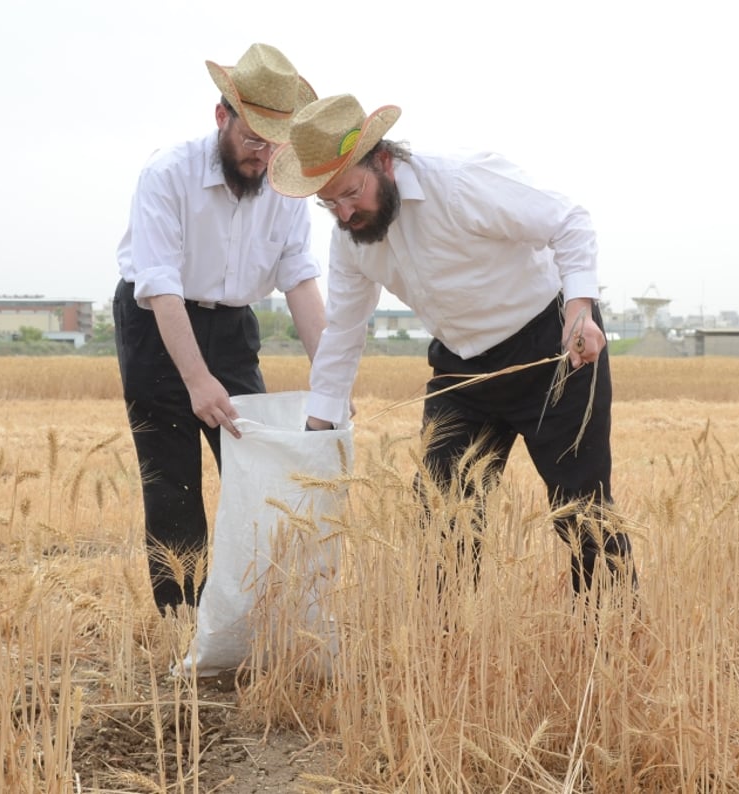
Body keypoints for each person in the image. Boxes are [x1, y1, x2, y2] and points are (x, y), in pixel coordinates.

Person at [268, 94, 636, 597]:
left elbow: (569, 222)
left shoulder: (461, 183)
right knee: (442, 516)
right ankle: (444, 647)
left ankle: (610, 644)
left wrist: (579, 311)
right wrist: (318, 422)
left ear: (383, 161)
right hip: (461, 371)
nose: (346, 212)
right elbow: (345, 330)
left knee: (581, 510)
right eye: (329, 203)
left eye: (351, 192)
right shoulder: (350, 239)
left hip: (553, 352)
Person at [114, 44, 327, 612]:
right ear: (221, 119)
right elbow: (158, 284)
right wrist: (196, 380)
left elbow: (300, 280)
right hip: (157, 323)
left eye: (274, 143)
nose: (262, 155)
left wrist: (330, 378)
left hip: (233, 329)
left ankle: (240, 613)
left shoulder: (285, 186)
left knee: (253, 468)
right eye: (253, 140)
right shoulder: (167, 174)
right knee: (172, 484)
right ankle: (181, 620)